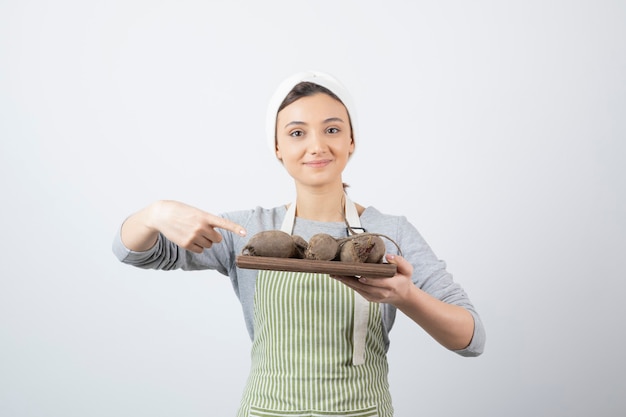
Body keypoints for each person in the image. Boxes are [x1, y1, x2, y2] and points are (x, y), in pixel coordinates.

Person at [112, 71, 486, 417]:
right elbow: (133, 250)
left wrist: (407, 297)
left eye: (332, 129)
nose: (317, 146)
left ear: (351, 140)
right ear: (277, 147)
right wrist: (155, 213)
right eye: (296, 133)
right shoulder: (248, 231)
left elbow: (471, 337)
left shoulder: (389, 233)